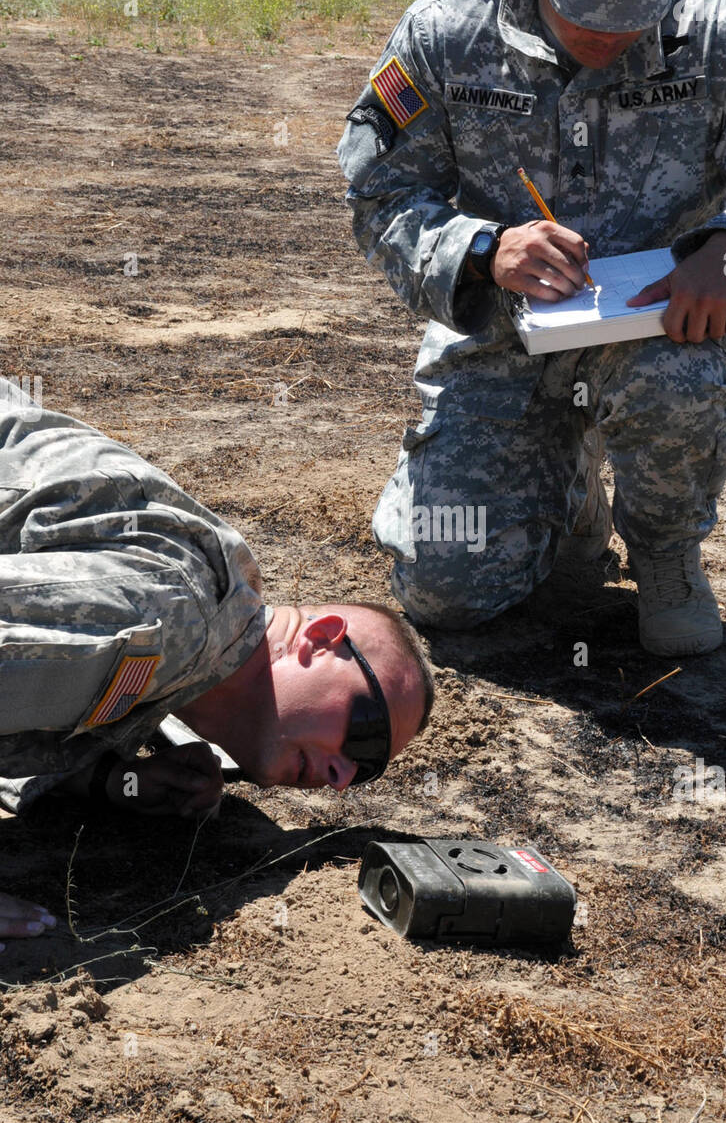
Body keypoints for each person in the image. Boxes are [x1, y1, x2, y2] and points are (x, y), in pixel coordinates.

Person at [338, 0, 726, 659]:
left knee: (677, 384)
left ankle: (664, 550)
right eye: (582, 5)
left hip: (671, 331)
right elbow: (377, 191)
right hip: (502, 340)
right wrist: (483, 249)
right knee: (447, 592)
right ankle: (570, 491)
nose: (606, 34)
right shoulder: (450, 27)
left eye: (631, 8)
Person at [0, 382, 433, 948]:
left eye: (367, 768)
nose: (343, 778)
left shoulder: (199, 642)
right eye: (365, 732)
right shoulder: (176, 617)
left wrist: (101, 777)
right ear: (320, 640)